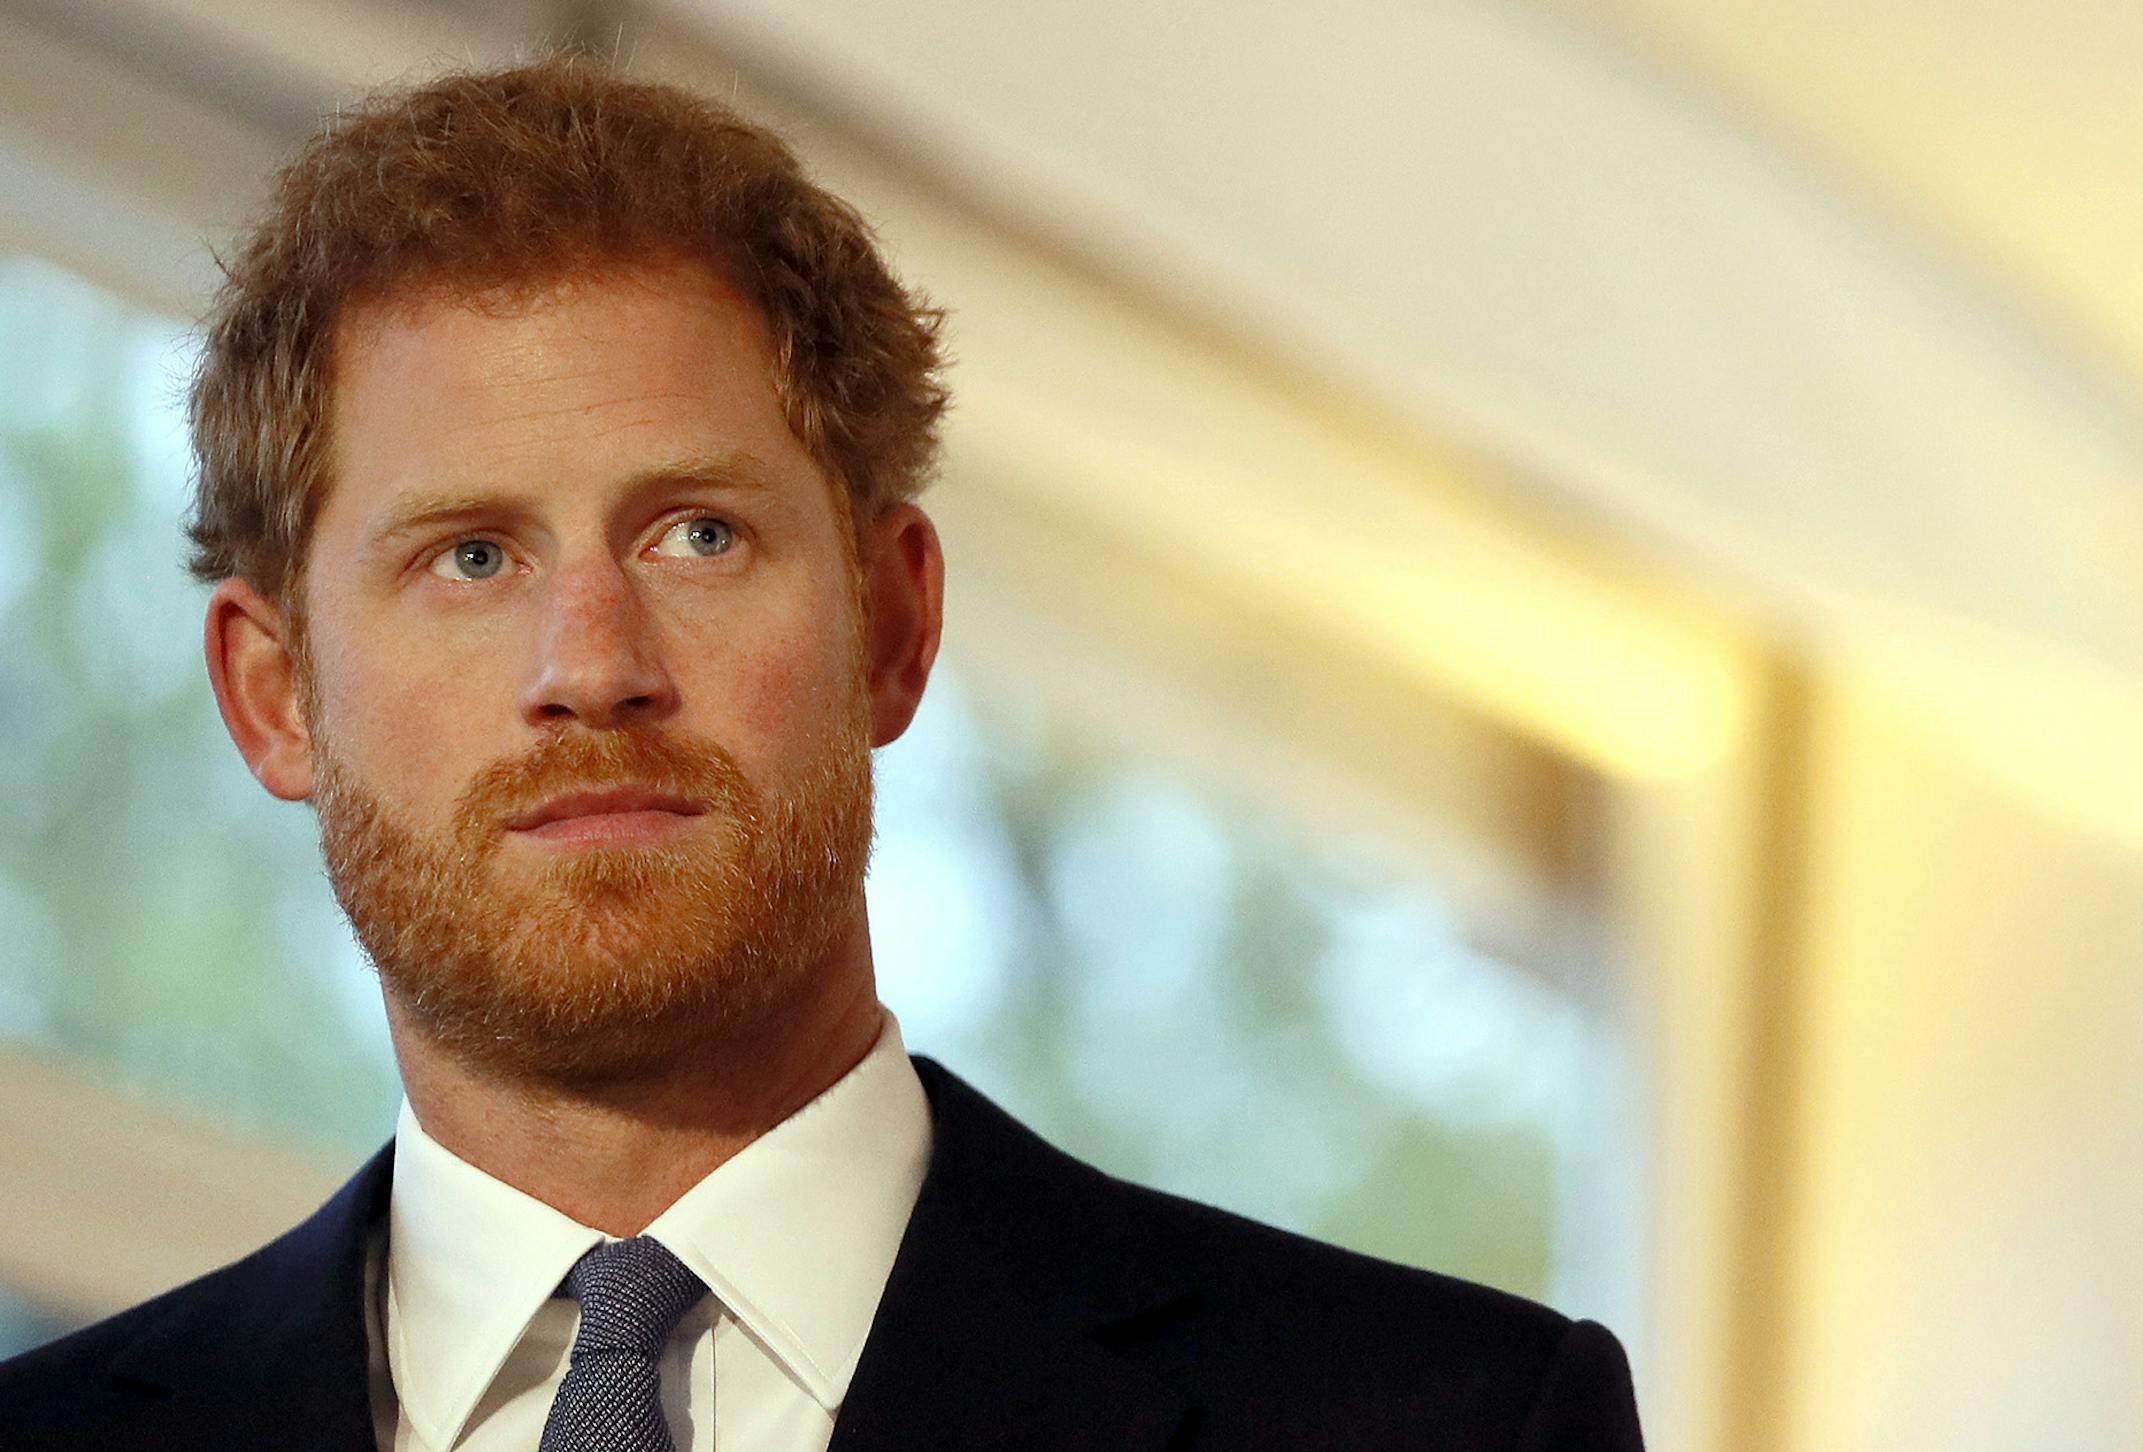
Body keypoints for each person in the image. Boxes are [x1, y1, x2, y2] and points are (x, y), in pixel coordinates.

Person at [0, 56, 1643, 1452]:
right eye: (472, 557)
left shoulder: (1449, 1423)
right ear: (275, 696)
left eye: (698, 535)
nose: (593, 668)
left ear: (895, 624)